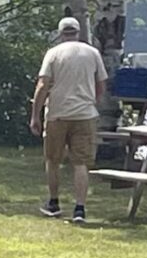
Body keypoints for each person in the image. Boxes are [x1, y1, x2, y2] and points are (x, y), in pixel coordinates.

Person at [30, 17, 108, 223]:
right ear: (78, 32)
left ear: (61, 33)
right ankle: (80, 209)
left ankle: (54, 203)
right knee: (81, 163)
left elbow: (42, 86)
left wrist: (35, 115)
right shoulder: (92, 53)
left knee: (53, 160)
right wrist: (93, 102)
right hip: (85, 115)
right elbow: (101, 85)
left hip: (57, 114)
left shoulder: (53, 54)